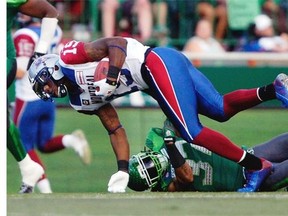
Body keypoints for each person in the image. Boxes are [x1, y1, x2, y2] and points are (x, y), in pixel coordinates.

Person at [28, 36, 288, 193]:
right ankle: (273, 89)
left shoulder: (68, 57)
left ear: (51, 70)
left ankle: (257, 166)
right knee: (219, 109)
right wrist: (121, 169)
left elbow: (115, 44)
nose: (49, 90)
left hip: (152, 64)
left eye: (46, 83)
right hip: (157, 72)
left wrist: (111, 77)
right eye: (44, 90)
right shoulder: (80, 102)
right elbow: (114, 127)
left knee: (191, 131)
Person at [12, 14, 92, 193]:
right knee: (44, 143)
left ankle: (46, 191)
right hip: (48, 96)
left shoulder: (24, 34)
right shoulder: (54, 30)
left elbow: (20, 71)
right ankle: (72, 140)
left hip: (28, 97)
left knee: (22, 145)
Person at [128, 120, 288, 192]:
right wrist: (170, 146)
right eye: (150, 172)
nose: (152, 165)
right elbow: (187, 178)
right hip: (244, 181)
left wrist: (168, 129)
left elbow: (175, 119)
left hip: (247, 157)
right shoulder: (163, 187)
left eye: (147, 162)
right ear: (152, 183)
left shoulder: (154, 141)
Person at [7, 0, 59, 193]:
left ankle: (32, 172)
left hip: (12, 72)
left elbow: (50, 12)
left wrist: (39, 53)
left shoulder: (24, 34)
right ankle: (29, 167)